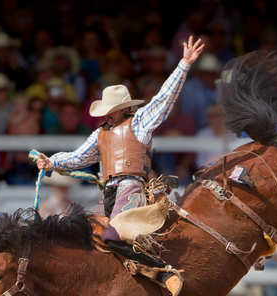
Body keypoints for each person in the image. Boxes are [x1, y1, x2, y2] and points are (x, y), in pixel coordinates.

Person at [36, 35, 205, 278]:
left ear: (124, 109)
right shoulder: (100, 134)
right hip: (109, 191)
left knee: (112, 235)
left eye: (112, 110)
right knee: (92, 236)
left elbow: (163, 99)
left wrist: (183, 65)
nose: (109, 115)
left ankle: (160, 271)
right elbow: (78, 157)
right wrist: (52, 162)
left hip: (131, 186)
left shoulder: (139, 123)